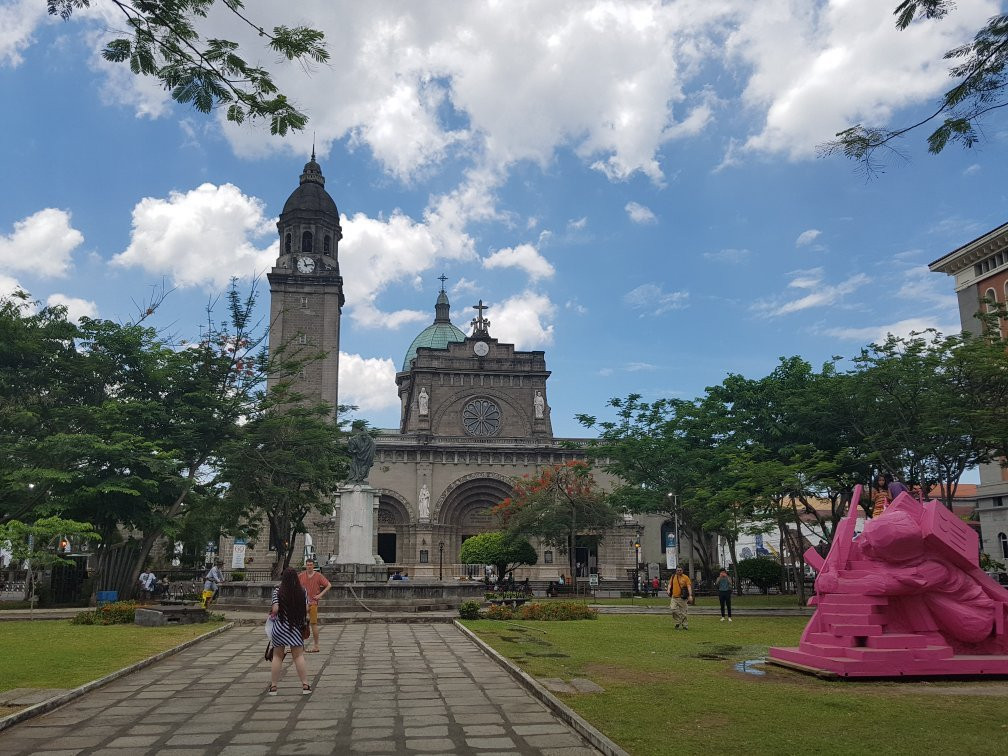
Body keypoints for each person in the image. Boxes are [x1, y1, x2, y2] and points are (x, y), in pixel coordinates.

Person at [266, 567, 312, 696]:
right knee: (298, 656)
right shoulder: (302, 591)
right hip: (294, 628)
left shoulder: (277, 591)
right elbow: (307, 608)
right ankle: (305, 685)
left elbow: (275, 609)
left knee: (277, 657)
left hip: (280, 627)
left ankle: (274, 686)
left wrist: (271, 612)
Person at [298, 558, 331, 653]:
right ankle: (299, 645)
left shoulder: (318, 576)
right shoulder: (301, 576)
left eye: (310, 565)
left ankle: (316, 645)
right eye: (307, 565)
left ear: (313, 566)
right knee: (300, 624)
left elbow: (328, 585)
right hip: (303, 604)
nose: (309, 567)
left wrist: (320, 595)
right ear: (306, 566)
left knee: (313, 624)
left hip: (313, 603)